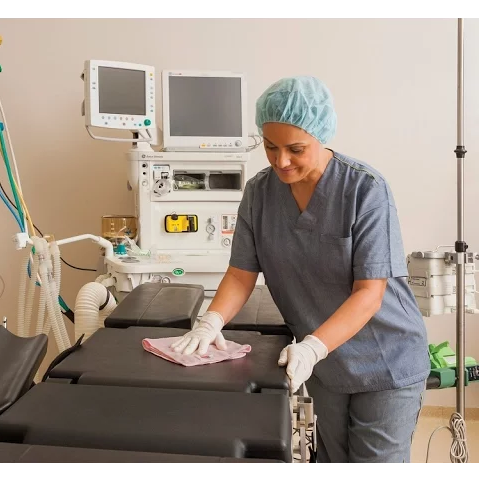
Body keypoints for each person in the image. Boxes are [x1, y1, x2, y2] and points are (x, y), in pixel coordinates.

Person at [169, 76, 431, 463]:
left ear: (321, 136)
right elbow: (241, 273)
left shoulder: (365, 189)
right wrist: (211, 322)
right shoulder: (260, 193)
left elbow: (370, 292)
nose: (281, 161)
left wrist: (311, 347)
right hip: (326, 365)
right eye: (270, 147)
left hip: (386, 358)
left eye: (295, 149)